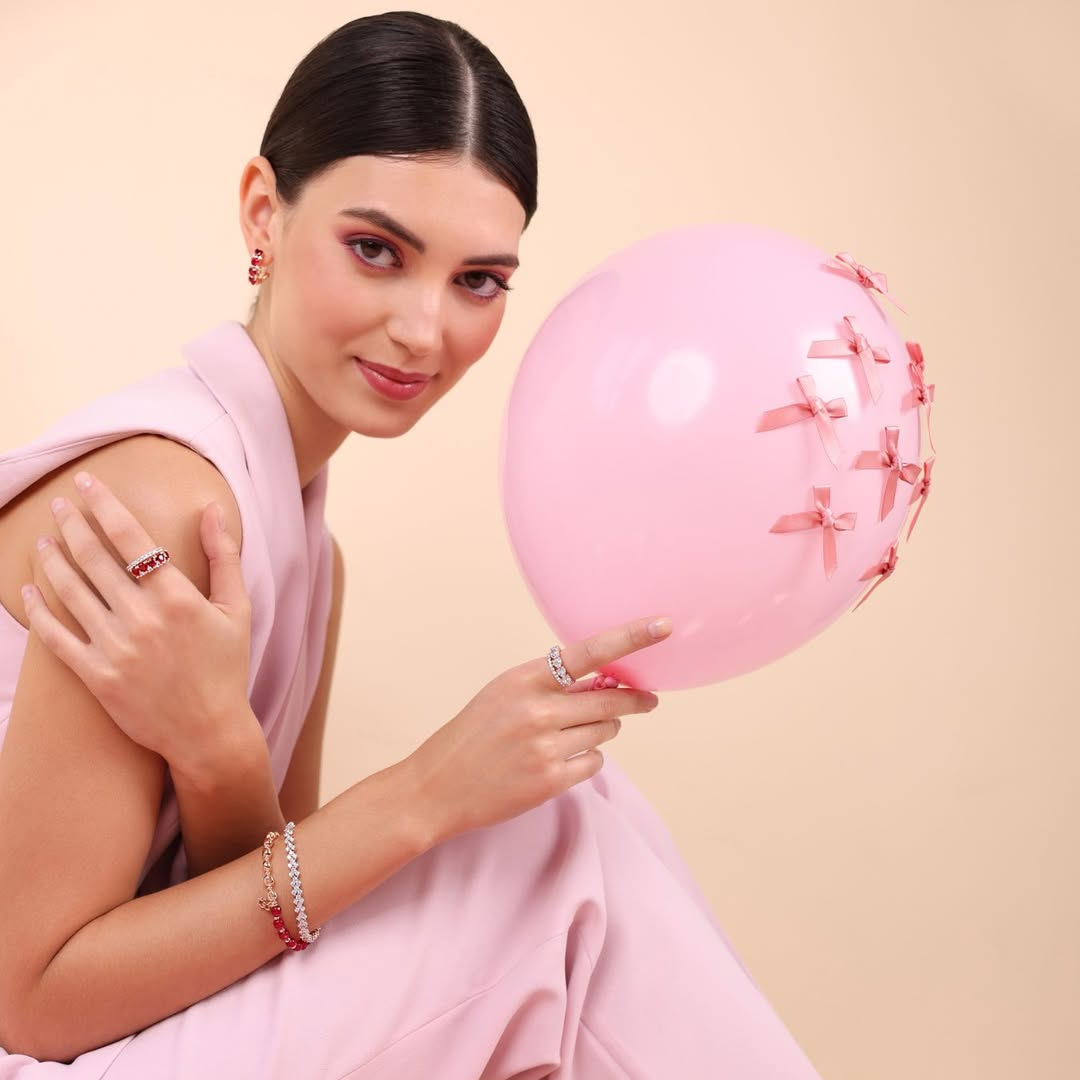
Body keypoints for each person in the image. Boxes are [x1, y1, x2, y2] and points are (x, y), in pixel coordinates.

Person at [0, 12, 826, 1078]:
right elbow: (31, 1001)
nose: (425, 330)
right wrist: (427, 791)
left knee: (574, 809)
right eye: (376, 251)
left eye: (477, 280)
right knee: (555, 855)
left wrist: (220, 751)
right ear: (262, 211)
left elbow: (260, 919)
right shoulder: (159, 507)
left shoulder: (305, 543)